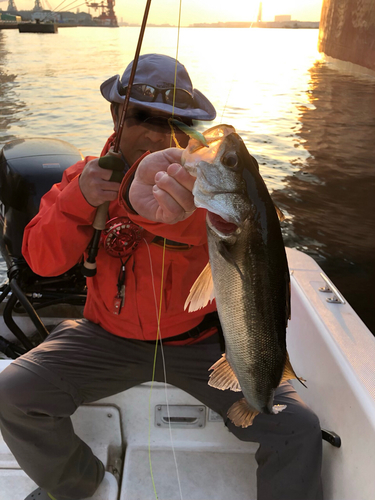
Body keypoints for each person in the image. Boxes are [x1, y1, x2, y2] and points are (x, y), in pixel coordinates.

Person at [0, 54, 323, 500]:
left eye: (169, 120)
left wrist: (160, 210)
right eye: (140, 116)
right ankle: (80, 484)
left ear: (186, 129)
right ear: (117, 114)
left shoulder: (206, 192)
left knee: (298, 429)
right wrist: (78, 198)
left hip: (199, 343)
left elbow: (233, 235)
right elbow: (40, 261)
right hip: (104, 337)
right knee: (12, 394)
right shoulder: (87, 178)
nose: (153, 132)